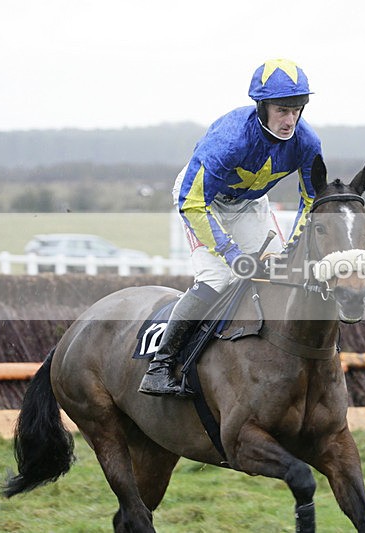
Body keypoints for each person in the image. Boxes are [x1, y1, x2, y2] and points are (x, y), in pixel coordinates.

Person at [139, 58, 323, 396]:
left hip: (250, 204)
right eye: (283, 110)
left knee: (278, 272)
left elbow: (310, 201)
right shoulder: (231, 139)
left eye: (297, 109)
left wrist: (292, 249)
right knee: (219, 277)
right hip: (202, 201)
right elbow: (192, 201)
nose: (290, 120)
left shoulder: (307, 142)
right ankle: (160, 365)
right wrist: (231, 252)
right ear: (262, 106)